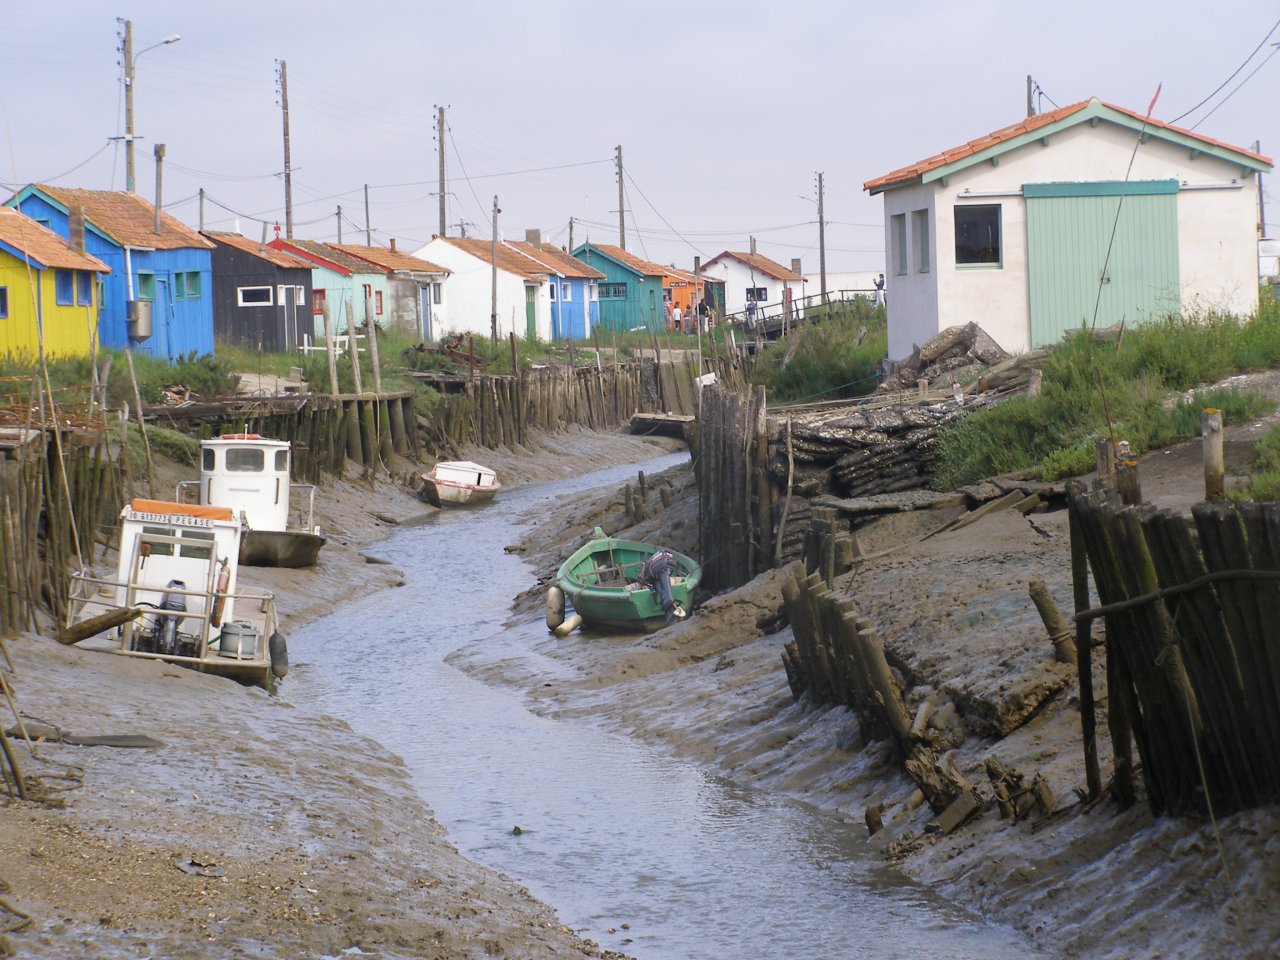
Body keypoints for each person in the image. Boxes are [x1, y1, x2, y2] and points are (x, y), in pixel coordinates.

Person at [639, 548, 682, 625]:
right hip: (662, 568)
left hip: (660, 569)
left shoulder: (656, 571)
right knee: (665, 589)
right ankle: (671, 618)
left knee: (664, 590)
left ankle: (671, 617)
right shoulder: (664, 565)